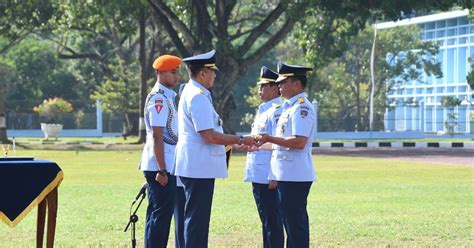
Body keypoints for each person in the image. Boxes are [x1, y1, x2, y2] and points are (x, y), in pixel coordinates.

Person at [174, 49, 255, 248]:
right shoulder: (198, 96)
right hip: (198, 166)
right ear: (202, 73)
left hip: (196, 165)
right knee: (197, 221)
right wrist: (241, 139)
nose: (215, 75)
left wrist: (236, 142)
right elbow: (209, 136)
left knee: (194, 218)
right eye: (212, 71)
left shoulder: (193, 92)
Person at [256, 62, 317, 248]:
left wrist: (271, 139)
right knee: (290, 225)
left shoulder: (301, 108)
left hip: (295, 175)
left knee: (295, 227)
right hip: (286, 174)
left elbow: (299, 142)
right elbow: (282, 142)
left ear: (297, 84)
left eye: (283, 82)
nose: (279, 86)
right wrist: (259, 144)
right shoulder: (289, 107)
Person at [139, 54, 182, 248]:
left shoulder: (167, 97)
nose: (177, 76)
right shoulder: (159, 99)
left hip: (165, 163)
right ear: (160, 73)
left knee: (158, 214)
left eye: (177, 72)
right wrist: (162, 169)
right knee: (161, 217)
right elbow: (157, 136)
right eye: (173, 72)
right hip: (161, 165)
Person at [243, 66, 284, 248]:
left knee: (272, 221)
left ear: (275, 88)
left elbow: (279, 143)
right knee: (266, 220)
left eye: (264, 86)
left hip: (268, 174)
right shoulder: (264, 109)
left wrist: (274, 175)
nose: (260, 90)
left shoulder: (277, 111)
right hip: (258, 172)